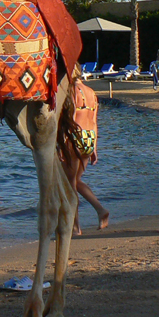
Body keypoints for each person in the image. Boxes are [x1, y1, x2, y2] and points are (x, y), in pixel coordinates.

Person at [57, 78, 110, 235]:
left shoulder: (71, 91)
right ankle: (100, 210)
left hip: (74, 136)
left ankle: (75, 227)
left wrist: (62, 143)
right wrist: (94, 147)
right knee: (75, 181)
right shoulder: (91, 92)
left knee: (70, 185)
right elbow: (94, 121)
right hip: (88, 137)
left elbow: (70, 117)